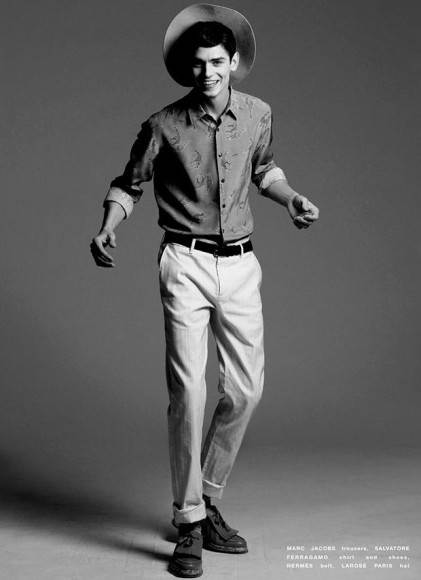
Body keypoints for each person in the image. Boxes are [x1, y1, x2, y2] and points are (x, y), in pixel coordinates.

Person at [90, 4, 319, 578]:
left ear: (234, 61)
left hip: (240, 264)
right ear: (186, 67)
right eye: (198, 63)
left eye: (217, 62)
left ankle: (208, 496)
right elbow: (129, 183)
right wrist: (109, 225)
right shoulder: (163, 125)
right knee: (188, 393)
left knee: (245, 389)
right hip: (185, 262)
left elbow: (264, 170)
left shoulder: (259, 113)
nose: (208, 72)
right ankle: (189, 521)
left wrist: (291, 198)